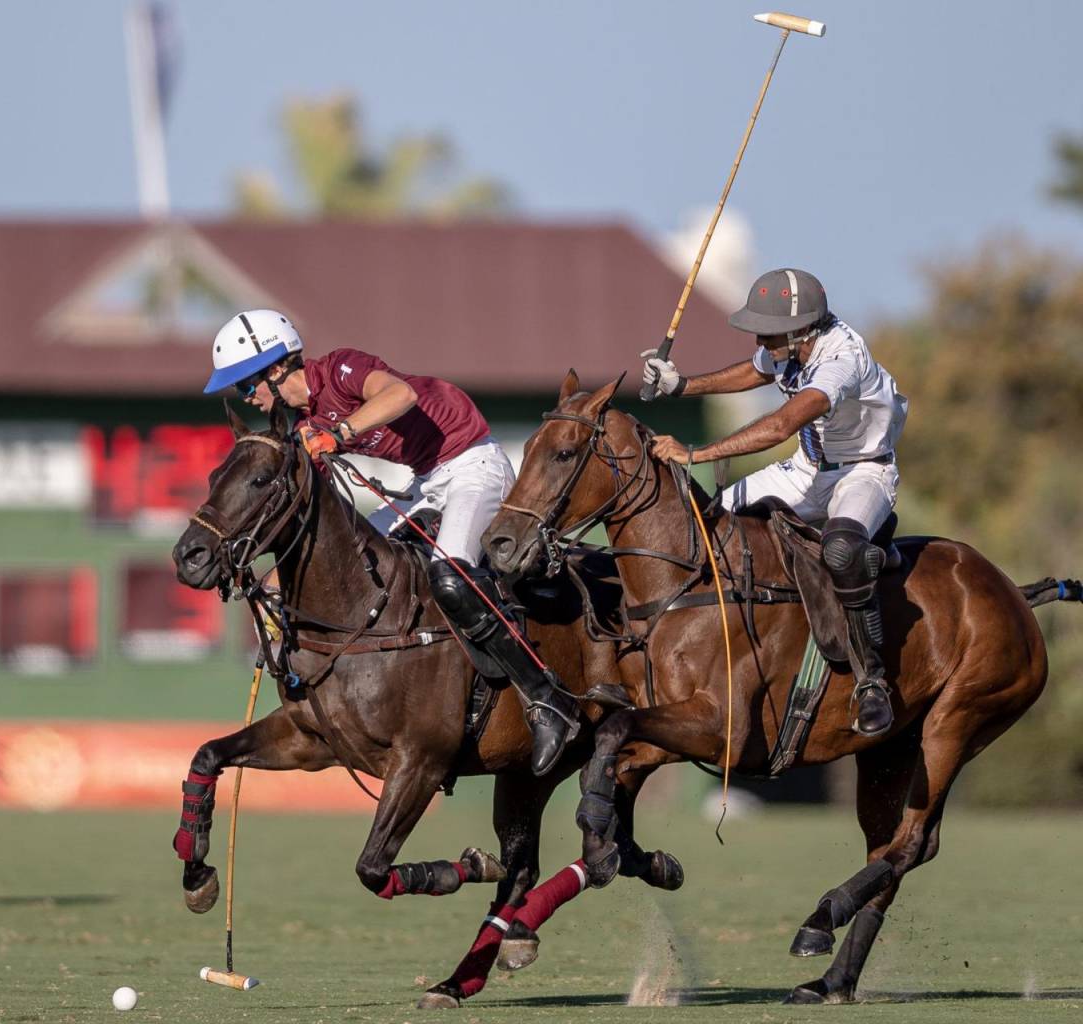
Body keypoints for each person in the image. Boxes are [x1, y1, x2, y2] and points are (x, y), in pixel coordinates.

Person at [203, 309, 578, 774]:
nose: (247, 397)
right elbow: (320, 524)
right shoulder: (302, 425)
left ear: (277, 368)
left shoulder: (340, 370)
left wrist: (339, 433)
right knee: (358, 562)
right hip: (427, 483)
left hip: (472, 465)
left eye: (246, 384)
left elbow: (401, 394)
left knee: (450, 574)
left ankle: (546, 697)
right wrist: (280, 581)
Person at [642, 269, 908, 737]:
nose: (759, 337)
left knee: (842, 551)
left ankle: (872, 683)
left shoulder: (840, 359)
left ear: (800, 329)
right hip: (808, 467)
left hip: (863, 470)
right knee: (704, 524)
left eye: (767, 330)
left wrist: (697, 454)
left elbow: (783, 423)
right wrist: (682, 385)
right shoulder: (790, 344)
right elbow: (755, 369)